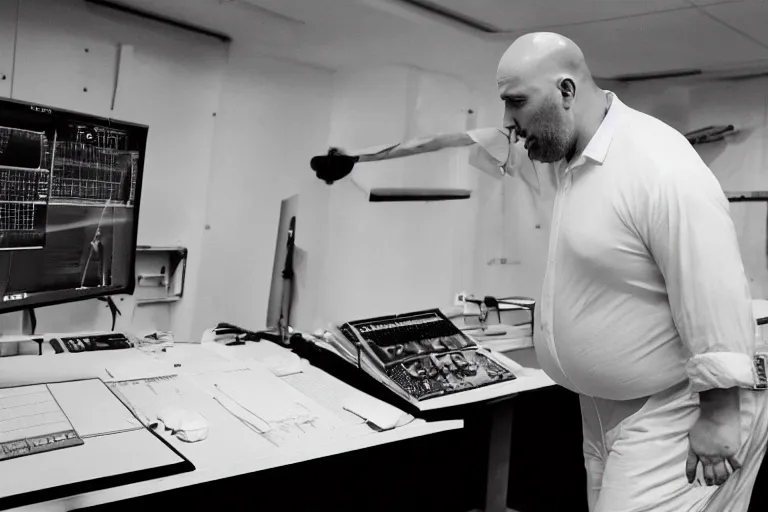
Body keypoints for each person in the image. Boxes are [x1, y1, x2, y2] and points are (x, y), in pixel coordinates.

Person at [311, 32, 768, 512]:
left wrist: (719, 413)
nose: (508, 122)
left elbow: (712, 286)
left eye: (516, 103)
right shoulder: (560, 158)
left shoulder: (660, 166)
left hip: (674, 408)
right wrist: (363, 158)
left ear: (566, 91)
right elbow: (470, 139)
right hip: (601, 407)